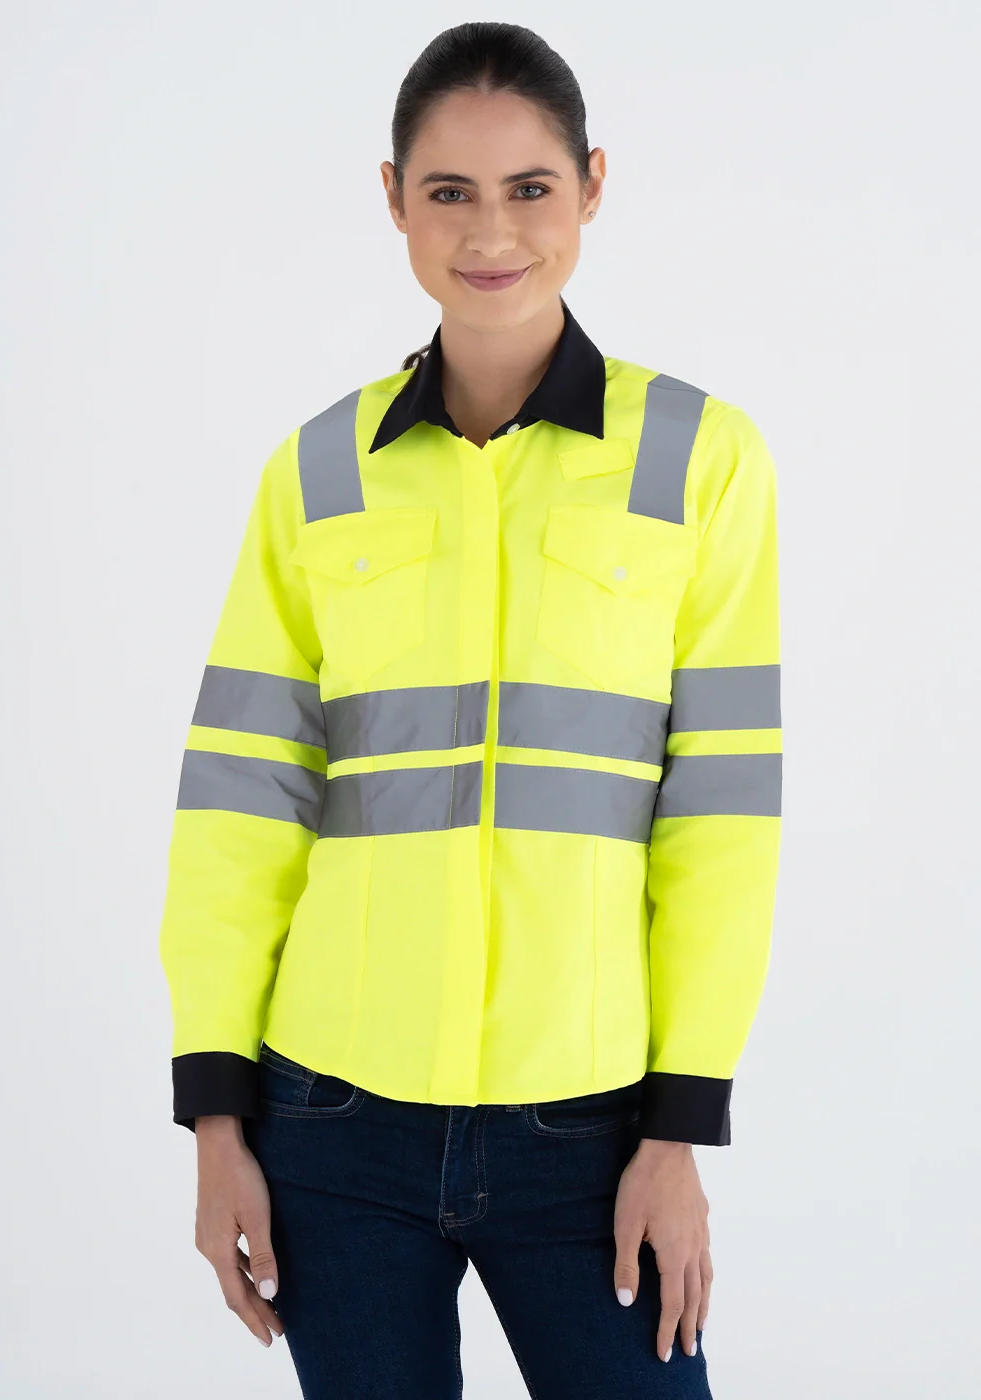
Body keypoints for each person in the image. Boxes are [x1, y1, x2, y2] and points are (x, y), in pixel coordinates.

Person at [158, 20, 782, 1399]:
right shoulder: (317, 471)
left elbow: (724, 819)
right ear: (393, 198)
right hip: (331, 1119)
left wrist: (677, 1129)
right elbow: (239, 807)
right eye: (449, 191)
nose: (491, 231)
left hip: (592, 1128)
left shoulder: (702, 459)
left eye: (530, 188)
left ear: (593, 186)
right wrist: (217, 1121)